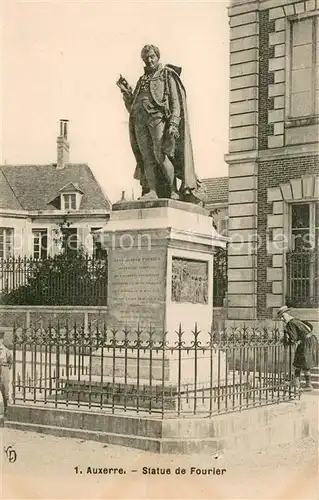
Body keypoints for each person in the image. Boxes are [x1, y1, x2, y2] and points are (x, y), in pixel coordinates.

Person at [117, 44, 201, 202]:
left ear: (157, 57)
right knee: (146, 156)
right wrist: (126, 92)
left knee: (160, 154)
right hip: (140, 119)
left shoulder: (167, 75)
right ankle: (153, 191)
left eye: (152, 57)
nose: (149, 60)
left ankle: (173, 190)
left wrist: (174, 124)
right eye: (146, 58)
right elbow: (132, 106)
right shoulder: (142, 79)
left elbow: (176, 102)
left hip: (157, 118)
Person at [276, 306, 319, 391]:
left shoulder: (290, 323)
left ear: (287, 314)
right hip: (311, 341)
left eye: (282, 316)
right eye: (280, 317)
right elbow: (310, 326)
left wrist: (285, 340)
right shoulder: (296, 320)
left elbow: (293, 338)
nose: (282, 319)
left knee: (300, 363)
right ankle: (300, 383)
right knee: (300, 363)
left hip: (305, 342)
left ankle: (302, 385)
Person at [0, 331, 13, 417]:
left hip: (3, 371)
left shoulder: (6, 350)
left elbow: (10, 363)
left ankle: (6, 410)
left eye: (0, 338)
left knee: (5, 391)